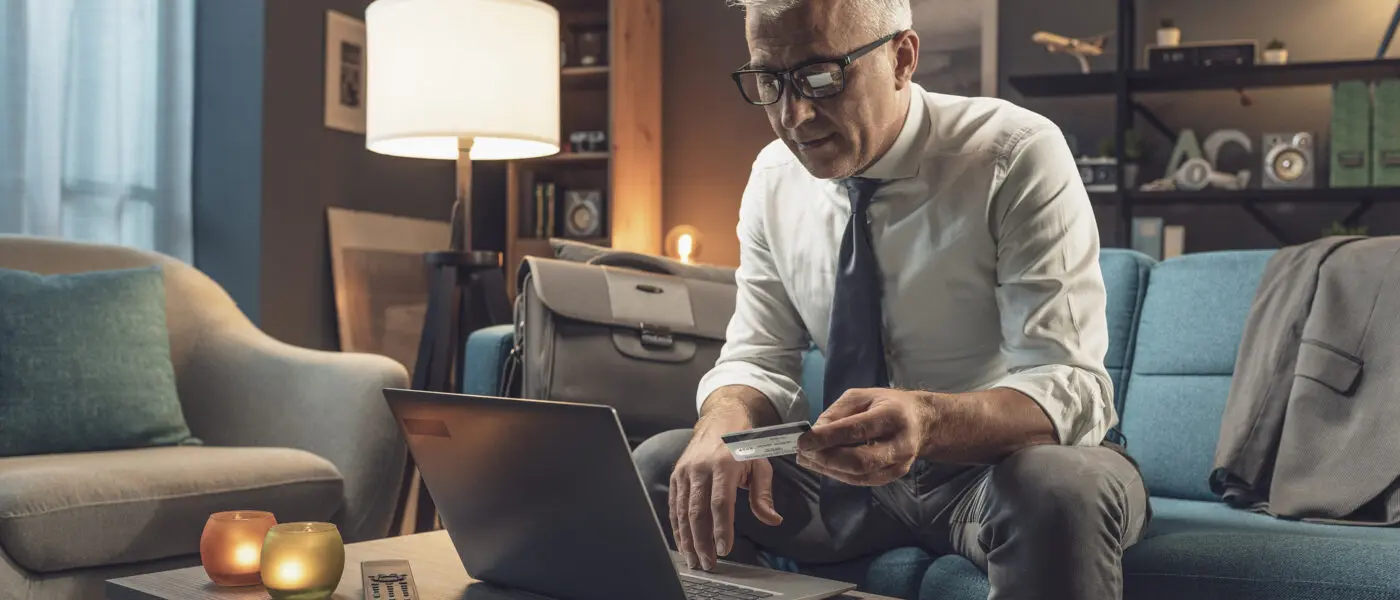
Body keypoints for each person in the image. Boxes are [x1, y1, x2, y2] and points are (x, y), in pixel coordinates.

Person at [631, 0, 1151, 598]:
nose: (793, 116)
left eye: (820, 76)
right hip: (843, 481)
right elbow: (759, 357)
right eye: (769, 80)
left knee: (1057, 489)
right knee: (665, 467)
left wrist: (927, 421)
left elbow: (1071, 384)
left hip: (996, 473)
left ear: (902, 58)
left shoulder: (1014, 152)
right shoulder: (774, 177)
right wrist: (722, 424)